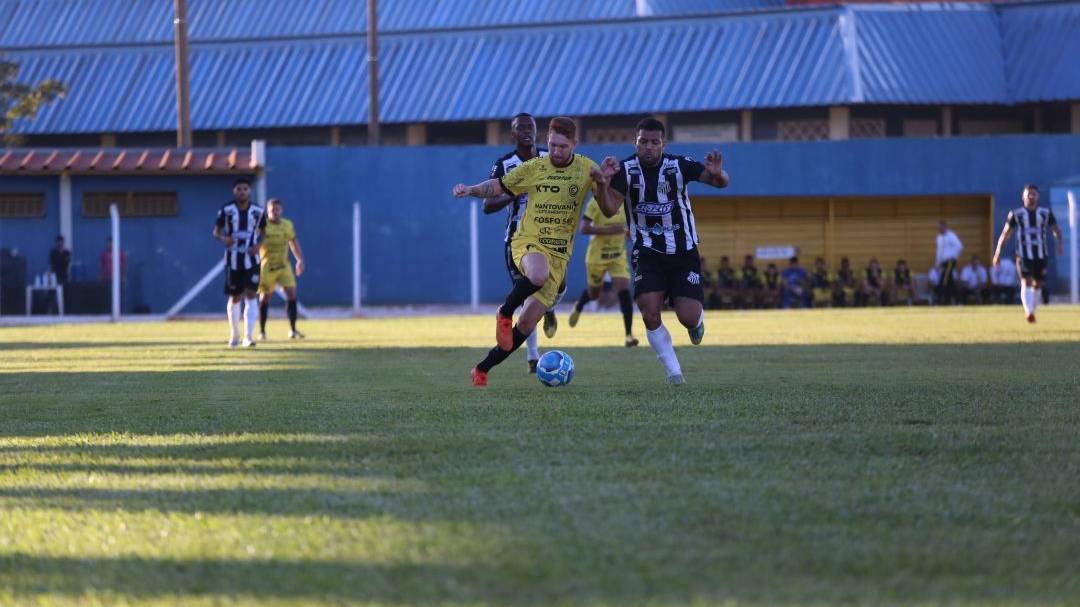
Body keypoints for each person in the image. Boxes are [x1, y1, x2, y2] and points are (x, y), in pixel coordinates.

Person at [453, 117, 618, 386]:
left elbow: (609, 210)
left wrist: (602, 183)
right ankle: (504, 312)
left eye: (562, 147)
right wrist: (470, 189)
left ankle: (482, 369)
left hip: (560, 254)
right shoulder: (534, 167)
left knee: (528, 323)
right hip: (528, 241)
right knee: (537, 274)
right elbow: (498, 186)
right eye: (552, 145)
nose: (555, 151)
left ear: (574, 144)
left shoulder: (588, 168)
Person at [606, 118, 729, 385]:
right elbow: (607, 208)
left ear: (664, 143)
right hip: (647, 252)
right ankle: (674, 373)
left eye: (654, 142)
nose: (648, 147)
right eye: (643, 142)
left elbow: (720, 183)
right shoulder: (624, 171)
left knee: (688, 317)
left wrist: (718, 174)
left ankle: (696, 323)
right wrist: (601, 184)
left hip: (683, 251)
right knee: (649, 310)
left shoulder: (678, 165)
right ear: (635, 142)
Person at [482, 113, 554, 373]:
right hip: (518, 241)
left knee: (555, 287)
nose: (526, 131)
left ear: (537, 132)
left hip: (550, 237)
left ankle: (550, 307)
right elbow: (487, 206)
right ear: (512, 134)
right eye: (520, 128)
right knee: (526, 298)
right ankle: (533, 357)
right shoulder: (504, 164)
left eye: (530, 127)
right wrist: (514, 192)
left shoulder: (549, 158)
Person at [567, 193, 639, 347]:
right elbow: (583, 228)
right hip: (597, 256)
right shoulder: (595, 202)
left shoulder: (625, 202)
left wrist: (629, 234)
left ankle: (629, 335)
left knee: (624, 292)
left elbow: (627, 228)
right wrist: (610, 230)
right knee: (594, 294)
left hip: (617, 256)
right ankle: (579, 305)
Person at [992, 184, 1063, 322]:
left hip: (1041, 254)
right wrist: (997, 253)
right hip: (1024, 254)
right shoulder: (1016, 214)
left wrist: (1060, 244)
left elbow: (1056, 230)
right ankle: (1029, 311)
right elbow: (1005, 234)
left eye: (1034, 194)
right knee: (1027, 281)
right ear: (1023, 196)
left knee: (1038, 284)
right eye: (1028, 194)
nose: (1031, 196)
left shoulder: (1045, 213)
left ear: (1038, 196)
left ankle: (1032, 310)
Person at [213, 177, 266, 347]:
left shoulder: (258, 211)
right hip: (233, 259)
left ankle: (248, 336)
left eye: (245, 189)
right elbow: (216, 231)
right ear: (234, 191)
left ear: (250, 191)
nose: (242, 192)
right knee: (235, 296)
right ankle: (234, 334)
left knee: (251, 294)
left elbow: (265, 232)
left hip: (252, 260)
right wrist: (224, 239)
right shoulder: (226, 210)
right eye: (239, 189)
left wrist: (258, 246)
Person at [257, 198, 305, 340]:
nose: (275, 213)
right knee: (265, 298)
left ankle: (293, 330)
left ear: (281, 210)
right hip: (267, 266)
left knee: (291, 294)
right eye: (272, 210)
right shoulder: (263, 225)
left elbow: (293, 242)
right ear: (268, 211)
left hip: (284, 265)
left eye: (278, 210)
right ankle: (262, 332)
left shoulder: (287, 225)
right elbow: (256, 243)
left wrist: (300, 260)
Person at [935, 220, 963, 305]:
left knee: (944, 280)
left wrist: (953, 256)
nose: (940, 229)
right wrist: (937, 263)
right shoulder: (939, 238)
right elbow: (939, 252)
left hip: (950, 261)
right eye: (939, 227)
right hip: (943, 262)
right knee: (950, 281)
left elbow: (960, 246)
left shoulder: (951, 236)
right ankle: (957, 301)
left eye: (941, 227)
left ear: (945, 227)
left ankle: (941, 300)